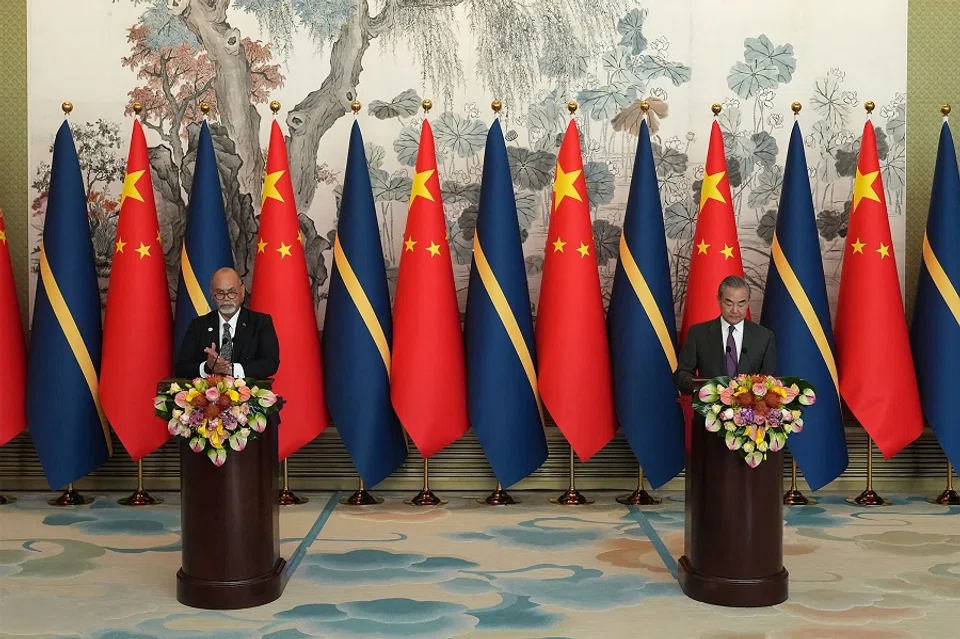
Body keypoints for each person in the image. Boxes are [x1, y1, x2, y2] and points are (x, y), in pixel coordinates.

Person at [674, 275, 776, 394]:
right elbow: (682, 374)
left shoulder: (764, 337)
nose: (734, 310)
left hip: (748, 411)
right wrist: (705, 389)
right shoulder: (698, 334)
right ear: (719, 300)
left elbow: (769, 382)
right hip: (709, 409)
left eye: (741, 304)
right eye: (729, 303)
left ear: (748, 302)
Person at [175, 267, 280, 380]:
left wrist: (230, 369)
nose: (226, 298)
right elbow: (181, 368)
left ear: (242, 291)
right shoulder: (199, 325)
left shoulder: (260, 323)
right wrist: (207, 367)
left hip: (249, 394)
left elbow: (270, 363)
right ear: (212, 294)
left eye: (231, 292)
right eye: (220, 293)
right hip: (208, 395)